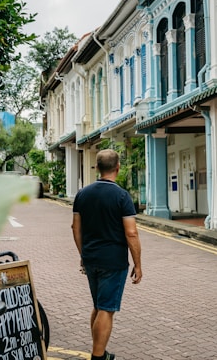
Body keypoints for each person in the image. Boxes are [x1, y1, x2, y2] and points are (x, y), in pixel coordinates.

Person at [72, 149, 142, 360]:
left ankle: (99, 350)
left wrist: (84, 254)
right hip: (113, 261)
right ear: (117, 168)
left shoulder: (82, 194)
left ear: (97, 168)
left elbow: (75, 228)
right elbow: (131, 232)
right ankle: (98, 356)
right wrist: (138, 264)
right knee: (106, 308)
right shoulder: (121, 195)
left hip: (91, 259)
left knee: (98, 306)